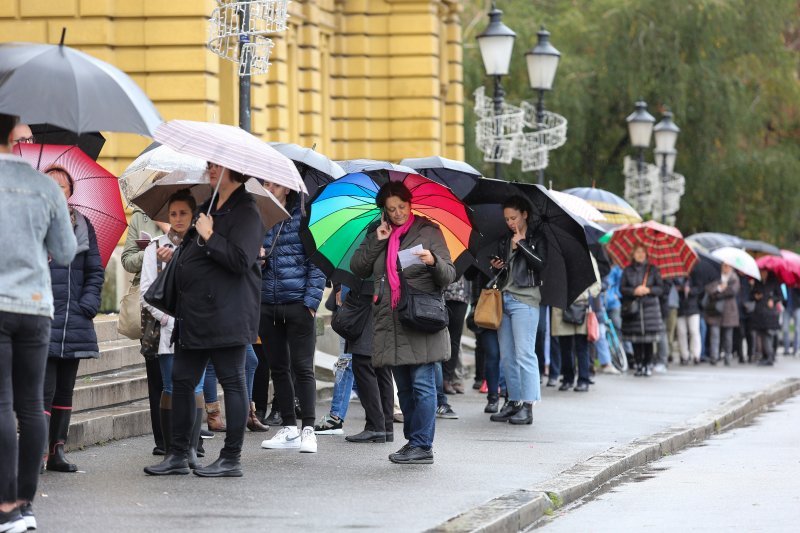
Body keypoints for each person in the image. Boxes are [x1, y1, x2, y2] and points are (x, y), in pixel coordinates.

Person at [144, 162, 263, 477]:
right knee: (182, 382)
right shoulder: (207, 205)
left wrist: (210, 236)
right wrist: (179, 255)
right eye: (210, 165)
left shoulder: (247, 211)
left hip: (227, 314)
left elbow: (241, 261)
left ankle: (231, 459)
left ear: (235, 169)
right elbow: (194, 250)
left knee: (233, 382)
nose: (211, 170)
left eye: (218, 166)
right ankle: (179, 454)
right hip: (194, 314)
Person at [0, 113, 76, 531]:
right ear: (14, 139)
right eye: (25, 137)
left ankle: (5, 504)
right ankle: (25, 504)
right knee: (31, 406)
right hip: (34, 306)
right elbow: (65, 252)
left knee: (1, 403)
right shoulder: (46, 187)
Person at [351, 181, 455, 464]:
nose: (397, 213)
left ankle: (423, 444)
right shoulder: (379, 232)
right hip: (391, 320)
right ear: (384, 210)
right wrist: (378, 240)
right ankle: (413, 442)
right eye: (391, 209)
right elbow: (358, 267)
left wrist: (433, 260)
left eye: (401, 207)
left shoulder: (428, 231)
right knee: (406, 388)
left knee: (422, 385)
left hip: (420, 317)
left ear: (410, 205)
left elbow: (449, 275)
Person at [139, 190, 209, 470]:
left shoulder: (202, 246)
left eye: (184, 213)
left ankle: (192, 447)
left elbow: (206, 287)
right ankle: (172, 450)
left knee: (197, 387)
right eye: (173, 214)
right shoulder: (154, 247)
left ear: (194, 216)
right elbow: (146, 292)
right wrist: (168, 318)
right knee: (170, 386)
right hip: (167, 329)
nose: (178, 219)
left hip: (196, 327)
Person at [42, 168, 105, 473]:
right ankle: (38, 451)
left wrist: (89, 302)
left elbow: (95, 270)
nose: (56, 189)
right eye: (50, 184)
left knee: (65, 388)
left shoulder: (83, 224)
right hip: (44, 317)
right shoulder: (34, 222)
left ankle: (57, 450)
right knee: (44, 388)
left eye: (61, 185)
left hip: (75, 319)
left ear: (70, 191)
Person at [258, 182, 326, 454]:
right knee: (278, 368)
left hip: (298, 302)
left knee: (303, 367)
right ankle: (289, 427)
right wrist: (257, 259)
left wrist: (310, 303)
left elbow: (317, 262)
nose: (269, 187)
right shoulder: (260, 216)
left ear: (287, 188)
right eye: (265, 183)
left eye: (274, 184)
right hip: (268, 303)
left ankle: (308, 429)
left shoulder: (305, 216)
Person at [488, 195, 547, 425]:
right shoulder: (505, 239)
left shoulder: (536, 237)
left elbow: (540, 265)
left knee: (525, 354)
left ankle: (528, 406)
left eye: (513, 217)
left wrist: (522, 244)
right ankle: (513, 401)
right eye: (506, 218)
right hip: (505, 299)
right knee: (507, 356)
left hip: (526, 301)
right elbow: (504, 274)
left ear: (525, 214)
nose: (510, 222)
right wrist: (496, 266)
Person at [121, 195, 167, 453]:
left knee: (183, 371)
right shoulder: (140, 217)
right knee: (155, 373)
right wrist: (150, 252)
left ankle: (186, 438)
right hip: (148, 300)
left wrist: (170, 232)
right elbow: (127, 259)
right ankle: (161, 439)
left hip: (181, 298)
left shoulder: (188, 212)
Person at [343, 281, 395, 444]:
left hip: (369, 303)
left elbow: (361, 265)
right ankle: (386, 427)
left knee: (363, 364)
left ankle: (376, 427)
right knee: (382, 369)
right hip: (387, 302)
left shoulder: (372, 253)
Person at [552, 257, 601, 392]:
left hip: (581, 304)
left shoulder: (588, 256)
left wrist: (586, 294)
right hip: (561, 304)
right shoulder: (557, 255)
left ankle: (583, 379)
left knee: (582, 345)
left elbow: (596, 283)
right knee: (565, 345)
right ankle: (568, 378)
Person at [620, 244, 664, 377]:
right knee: (636, 338)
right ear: (633, 254)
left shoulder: (653, 269)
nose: (640, 254)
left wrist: (648, 290)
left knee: (648, 339)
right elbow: (622, 289)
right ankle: (639, 364)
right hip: (633, 310)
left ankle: (647, 364)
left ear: (646, 254)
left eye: (642, 252)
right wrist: (634, 291)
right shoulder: (627, 270)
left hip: (650, 309)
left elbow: (661, 289)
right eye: (637, 252)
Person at [704, 262, 740, 365]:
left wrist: (721, 291)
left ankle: (727, 356)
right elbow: (709, 289)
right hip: (715, 310)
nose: (725, 268)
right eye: (724, 265)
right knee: (714, 335)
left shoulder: (734, 278)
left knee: (728, 336)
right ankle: (714, 356)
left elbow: (733, 291)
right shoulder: (716, 276)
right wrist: (719, 288)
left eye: (728, 265)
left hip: (729, 311)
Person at [442, 276, 470, 394]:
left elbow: (472, 274)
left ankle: (447, 379)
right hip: (441, 294)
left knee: (454, 341)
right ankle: (441, 378)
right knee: (439, 339)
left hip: (460, 296)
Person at [750, 270, 781, 366]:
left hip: (769, 314)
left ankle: (770, 357)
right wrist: (756, 296)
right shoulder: (757, 281)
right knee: (761, 335)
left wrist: (773, 300)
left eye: (764, 272)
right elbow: (751, 295)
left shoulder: (774, 282)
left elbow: (780, 296)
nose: (763, 274)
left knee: (768, 335)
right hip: (759, 313)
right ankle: (764, 356)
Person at [675, 270, 704, 365]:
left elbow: (700, 289)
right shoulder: (676, 275)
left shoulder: (696, 275)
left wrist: (690, 290)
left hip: (693, 307)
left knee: (694, 331)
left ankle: (696, 355)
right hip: (680, 306)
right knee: (681, 332)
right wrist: (679, 289)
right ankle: (684, 355)